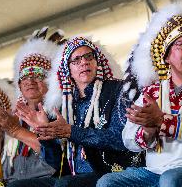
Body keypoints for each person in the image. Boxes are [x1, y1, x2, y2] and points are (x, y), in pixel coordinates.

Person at [96, 4, 182, 187]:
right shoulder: (152, 92)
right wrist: (148, 130)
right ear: (166, 57)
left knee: (171, 180)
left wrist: (161, 121)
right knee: (108, 182)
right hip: (156, 172)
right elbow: (128, 139)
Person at [16, 36, 145, 187]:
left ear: (97, 62)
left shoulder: (117, 91)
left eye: (89, 56)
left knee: (65, 185)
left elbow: (123, 140)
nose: (84, 62)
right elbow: (56, 163)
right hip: (72, 176)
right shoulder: (64, 105)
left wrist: (72, 132)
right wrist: (45, 135)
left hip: (110, 172)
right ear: (68, 69)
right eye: (76, 60)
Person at [0, 28, 67, 187]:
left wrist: (14, 130)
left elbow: (56, 158)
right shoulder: (15, 117)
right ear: (19, 86)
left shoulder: (58, 112)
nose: (30, 81)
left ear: (50, 82)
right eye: (24, 77)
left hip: (45, 181)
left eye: (38, 75)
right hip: (10, 181)